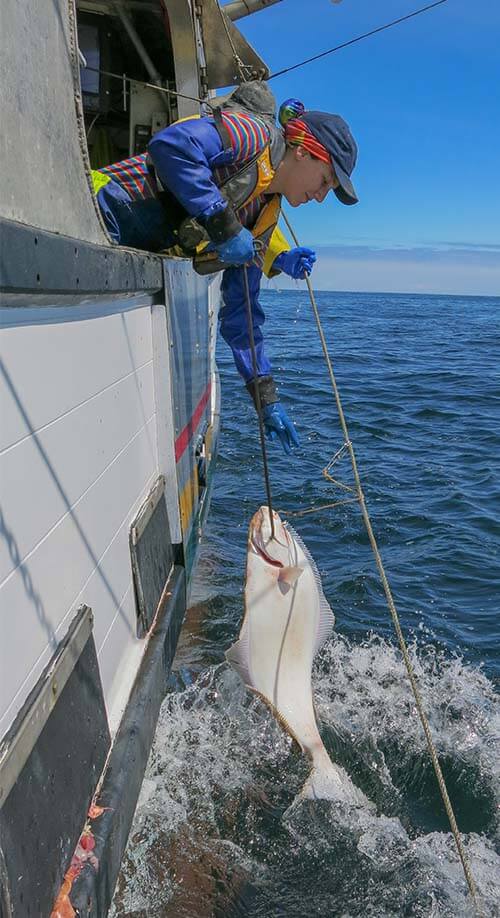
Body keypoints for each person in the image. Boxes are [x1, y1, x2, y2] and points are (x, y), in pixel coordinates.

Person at [92, 83, 359, 454]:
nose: (320, 195)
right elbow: (172, 146)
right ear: (302, 152)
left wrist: (266, 398)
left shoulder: (263, 219)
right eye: (326, 180)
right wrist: (224, 225)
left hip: (115, 247)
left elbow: (242, 317)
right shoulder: (251, 135)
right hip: (98, 206)